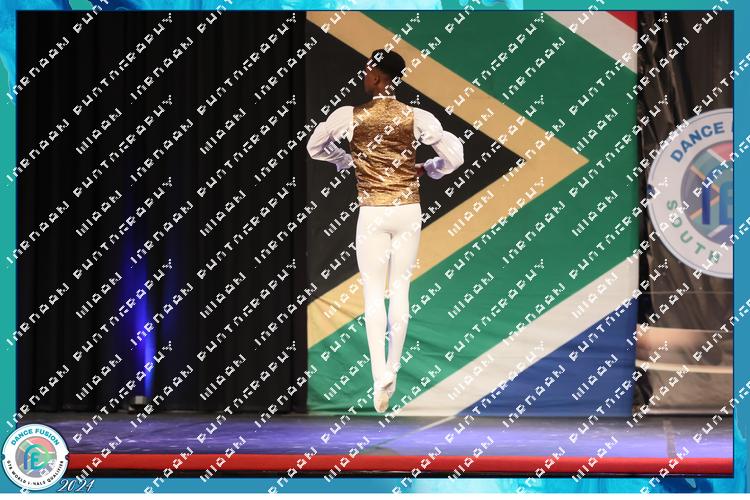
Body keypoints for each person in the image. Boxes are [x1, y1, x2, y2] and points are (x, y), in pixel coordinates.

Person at [306, 49, 464, 413]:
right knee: (401, 289)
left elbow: (315, 147)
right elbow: (455, 158)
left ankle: (379, 374)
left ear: (378, 77)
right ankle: (393, 367)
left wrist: (345, 159)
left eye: (368, 71)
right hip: (407, 209)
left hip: (373, 212)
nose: (364, 77)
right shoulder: (416, 116)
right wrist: (430, 168)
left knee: (374, 293)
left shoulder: (349, 116)